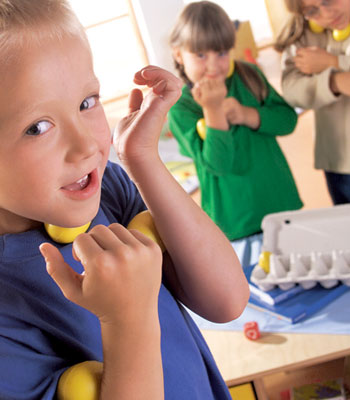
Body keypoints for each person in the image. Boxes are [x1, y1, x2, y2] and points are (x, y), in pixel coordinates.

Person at [0, 0, 250, 399]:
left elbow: (227, 300)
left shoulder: (106, 189)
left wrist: (141, 159)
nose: (85, 145)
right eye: (39, 126)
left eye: (87, 102)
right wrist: (127, 319)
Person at [168, 1, 303, 243]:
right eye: (200, 55)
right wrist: (212, 110)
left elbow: (288, 121)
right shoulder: (181, 107)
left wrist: (247, 115)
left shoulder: (249, 74)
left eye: (221, 53)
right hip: (235, 222)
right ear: (178, 54)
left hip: (281, 204)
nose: (213, 65)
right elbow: (218, 164)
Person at [275, 0, 350, 205]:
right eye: (313, 10)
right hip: (338, 167)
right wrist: (334, 82)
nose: (327, 13)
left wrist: (334, 62)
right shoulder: (302, 33)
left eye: (329, 1)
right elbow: (292, 91)